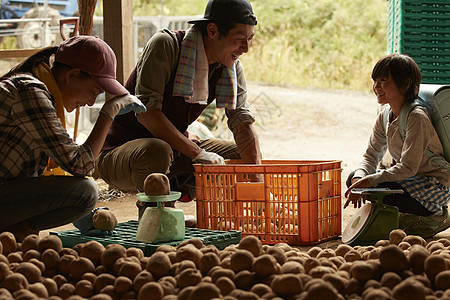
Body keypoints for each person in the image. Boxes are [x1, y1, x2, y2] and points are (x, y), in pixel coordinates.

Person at [96, 0, 262, 207]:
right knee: (157, 149)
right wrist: (198, 154)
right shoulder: (167, 45)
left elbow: (242, 123)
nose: (245, 48)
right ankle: (159, 216)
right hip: (122, 154)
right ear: (212, 30)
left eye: (250, 39)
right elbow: (147, 113)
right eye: (240, 39)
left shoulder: (229, 66)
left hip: (174, 151)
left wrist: (258, 183)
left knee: (243, 157)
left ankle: (215, 214)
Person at [0, 35, 146, 241]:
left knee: (82, 194)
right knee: (85, 192)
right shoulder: (30, 91)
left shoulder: (39, 91)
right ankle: (16, 230)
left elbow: (61, 163)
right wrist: (108, 114)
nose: (90, 103)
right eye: (94, 92)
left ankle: (15, 231)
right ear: (72, 75)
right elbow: (80, 165)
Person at [344, 54, 450, 238]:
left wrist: (371, 181)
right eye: (375, 81)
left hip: (432, 184)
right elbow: (371, 155)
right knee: (353, 178)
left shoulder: (416, 117)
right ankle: (399, 215)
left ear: (406, 83)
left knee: (382, 190)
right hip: (409, 179)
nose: (376, 87)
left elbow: (408, 167)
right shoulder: (385, 116)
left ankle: (436, 215)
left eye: (383, 81)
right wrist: (359, 180)